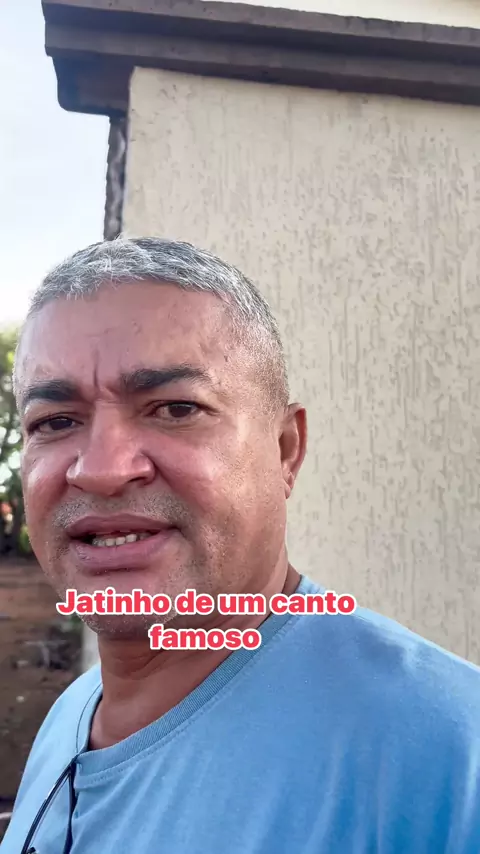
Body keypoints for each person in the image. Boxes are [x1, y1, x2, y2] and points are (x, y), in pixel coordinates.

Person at [2, 237, 480, 854]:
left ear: (285, 450)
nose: (101, 469)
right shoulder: (71, 716)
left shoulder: (448, 759)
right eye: (55, 422)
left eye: (175, 408)